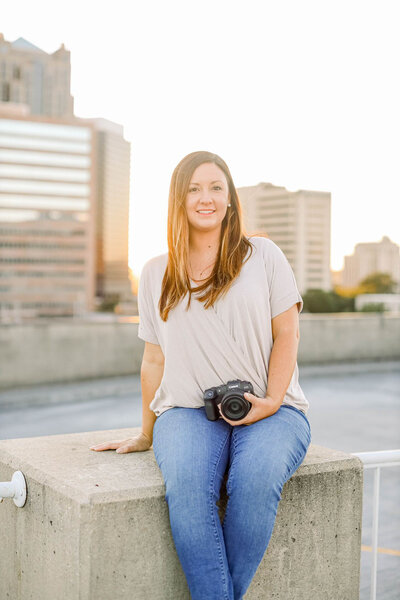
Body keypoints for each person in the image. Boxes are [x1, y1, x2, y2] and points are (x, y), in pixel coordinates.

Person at [90, 150, 311, 600]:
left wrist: (270, 400)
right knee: (189, 496)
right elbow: (154, 361)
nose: (205, 197)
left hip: (274, 407)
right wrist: (147, 432)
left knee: (254, 480)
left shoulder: (264, 255)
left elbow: (287, 333)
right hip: (186, 411)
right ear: (179, 199)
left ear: (230, 199)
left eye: (215, 187)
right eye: (193, 188)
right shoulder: (155, 273)